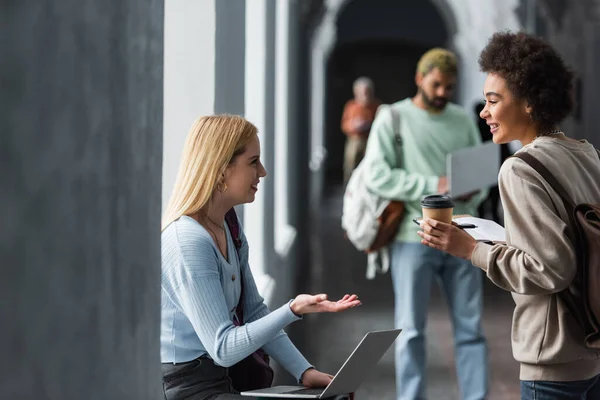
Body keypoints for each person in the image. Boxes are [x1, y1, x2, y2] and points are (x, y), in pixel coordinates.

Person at [418, 32, 600, 399]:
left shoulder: (519, 169)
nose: (484, 112)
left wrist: (471, 249)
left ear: (530, 103)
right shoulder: (586, 153)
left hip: (552, 359)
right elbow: (570, 243)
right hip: (592, 347)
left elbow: (550, 268)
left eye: (493, 101)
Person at [160, 115, 362, 400]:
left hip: (222, 380)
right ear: (220, 170)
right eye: (253, 162)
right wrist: (292, 310)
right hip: (187, 389)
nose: (263, 172)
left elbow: (254, 311)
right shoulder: (188, 241)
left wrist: (304, 371)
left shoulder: (227, 224)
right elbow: (223, 348)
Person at [362, 48, 489, 400]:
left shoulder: (463, 120)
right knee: (411, 330)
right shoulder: (393, 117)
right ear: (419, 78)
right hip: (411, 237)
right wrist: (435, 186)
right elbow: (377, 175)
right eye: (436, 85)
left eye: (449, 87)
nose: (443, 93)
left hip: (462, 235)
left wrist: (474, 192)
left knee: (470, 329)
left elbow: (476, 176)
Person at [474, 101, 512, 225]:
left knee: (483, 204)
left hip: (484, 169)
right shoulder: (495, 128)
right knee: (494, 202)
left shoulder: (478, 128)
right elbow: (505, 149)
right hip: (498, 167)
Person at [340, 76, 381, 183]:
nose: (365, 95)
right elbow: (344, 124)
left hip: (370, 140)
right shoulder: (351, 106)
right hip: (355, 140)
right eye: (362, 92)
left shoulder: (376, 106)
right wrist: (353, 126)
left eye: (367, 92)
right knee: (350, 166)